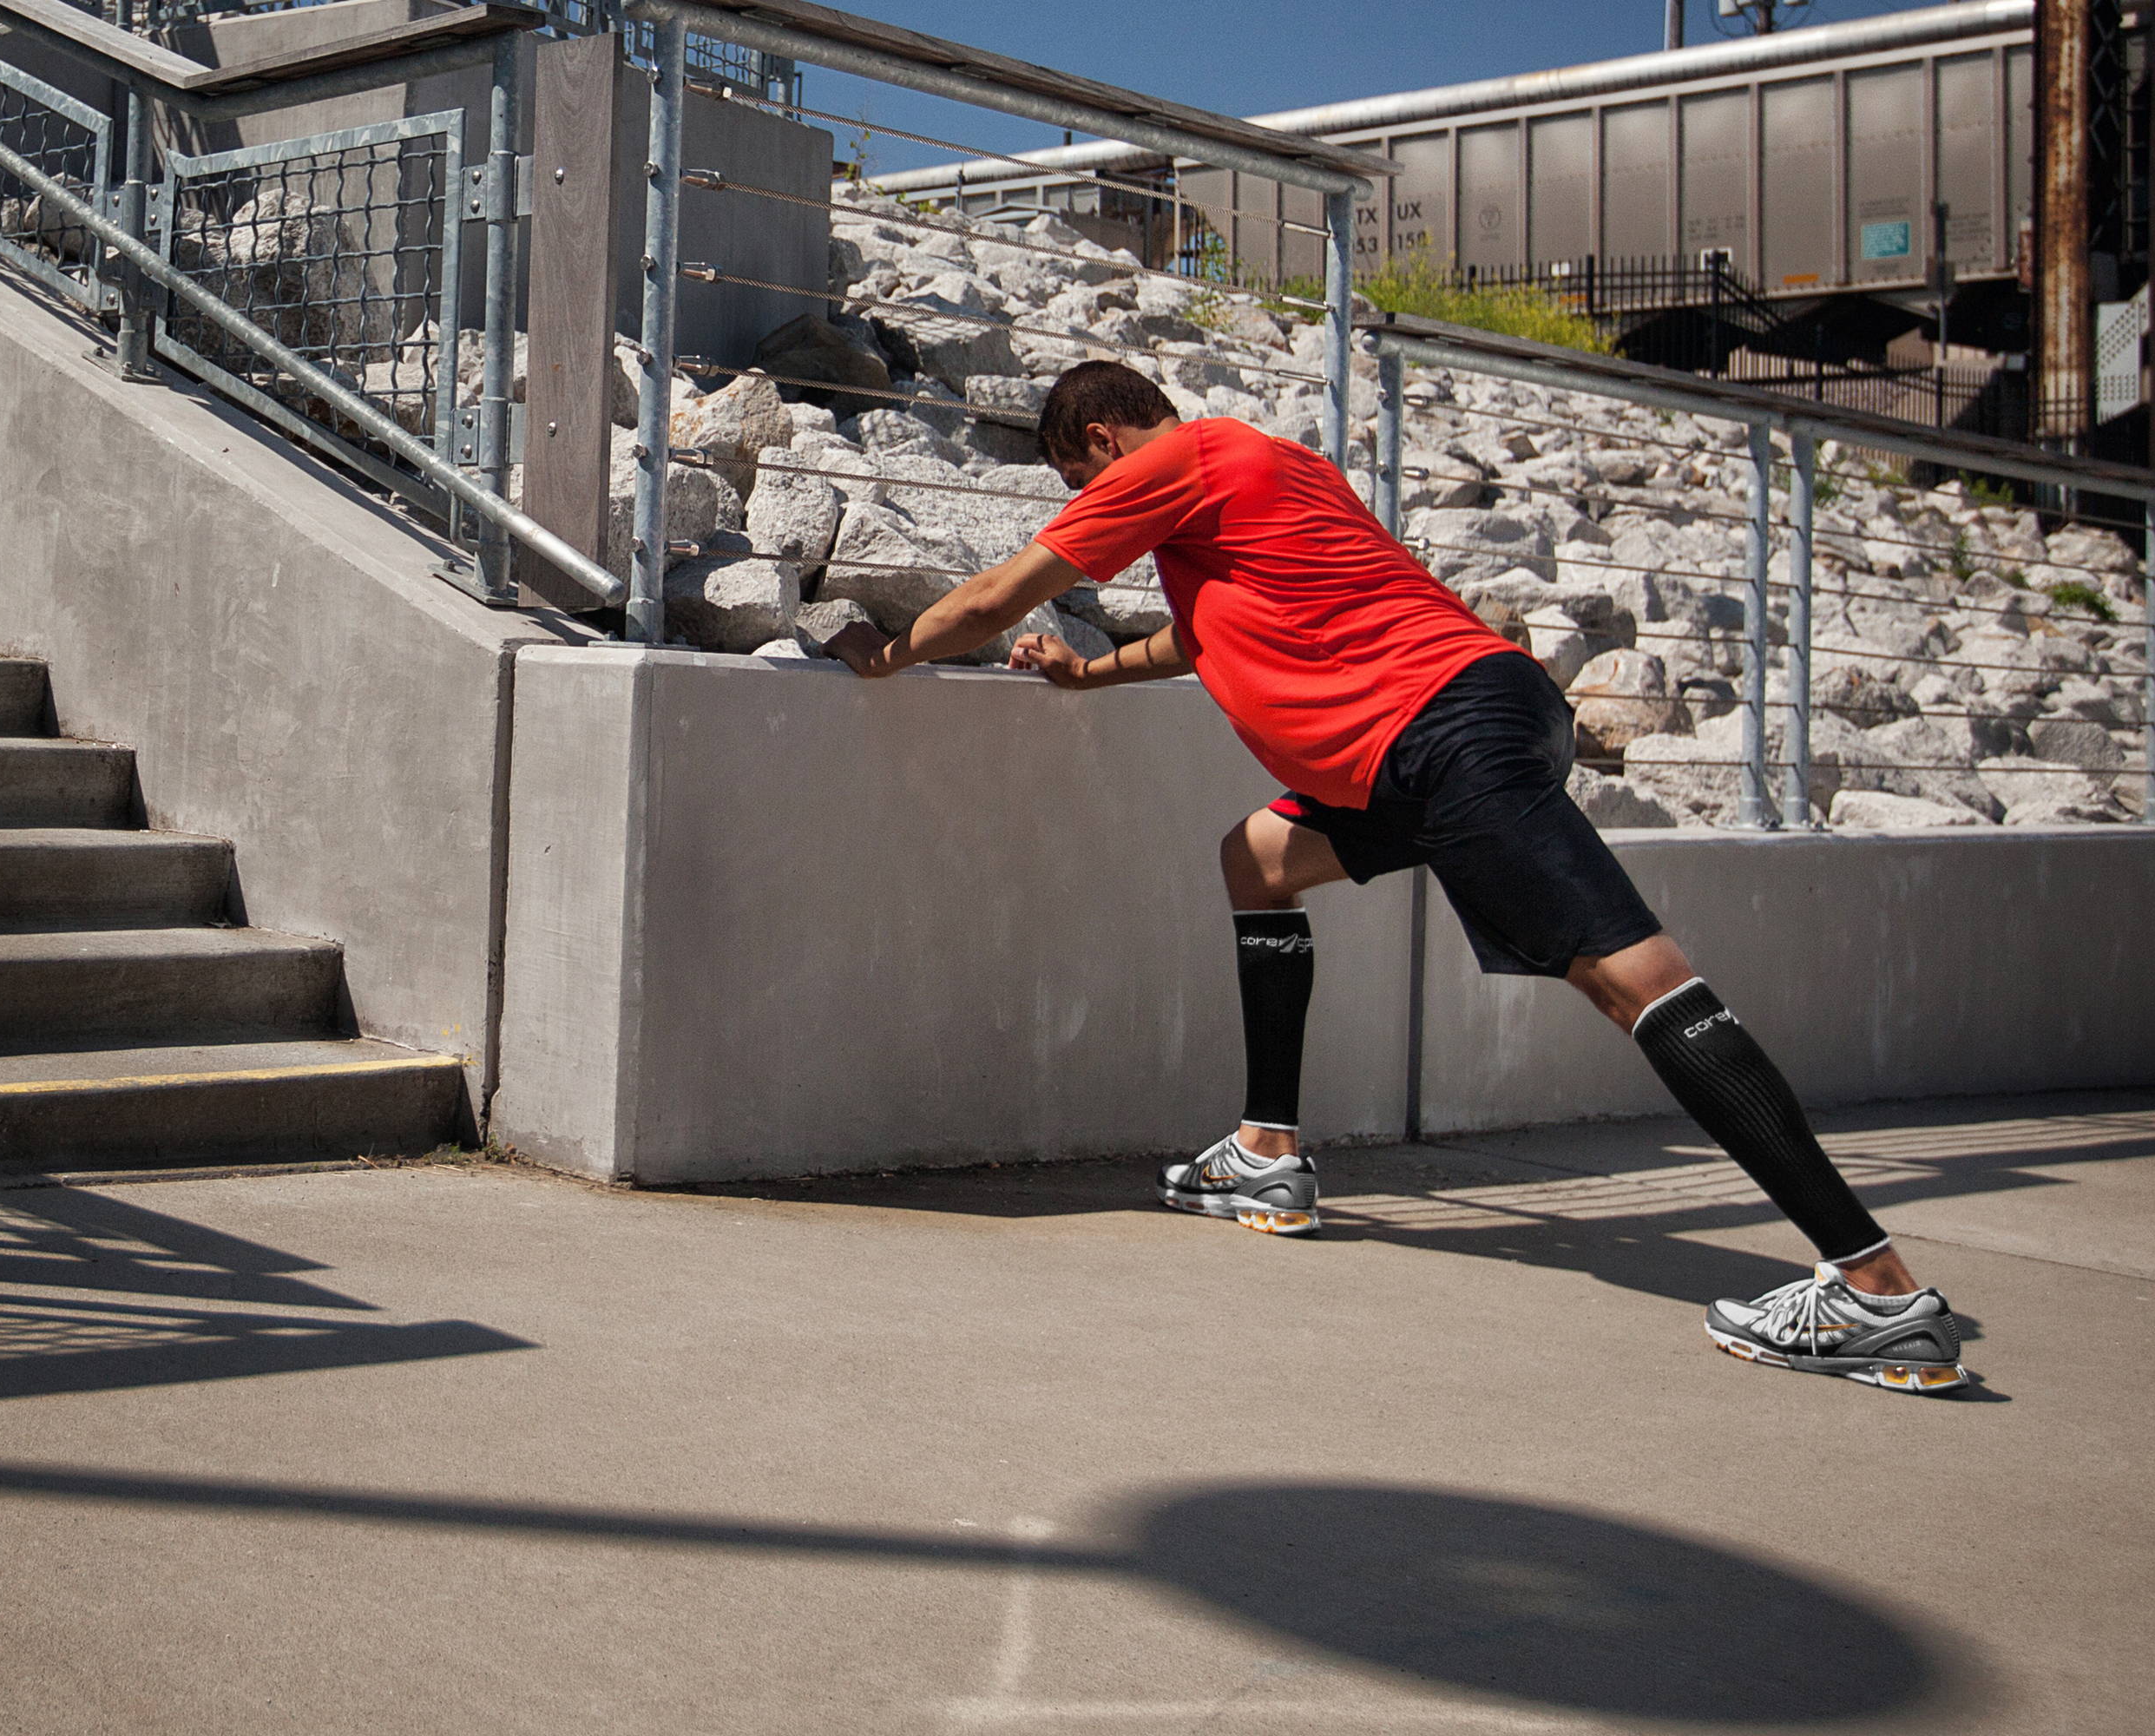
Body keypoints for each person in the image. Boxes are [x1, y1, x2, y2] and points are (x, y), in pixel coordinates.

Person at [821, 359, 1974, 1397]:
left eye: (1079, 478)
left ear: (1104, 446)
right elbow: (1208, 633)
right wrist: (1093, 674)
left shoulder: (1172, 458)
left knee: (1640, 984)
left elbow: (995, 595)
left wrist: (892, 653)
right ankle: (1268, 1155)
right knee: (1259, 860)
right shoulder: (1266, 473)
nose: (1086, 500)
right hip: (1424, 746)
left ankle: (1876, 1291)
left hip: (1439, 738)